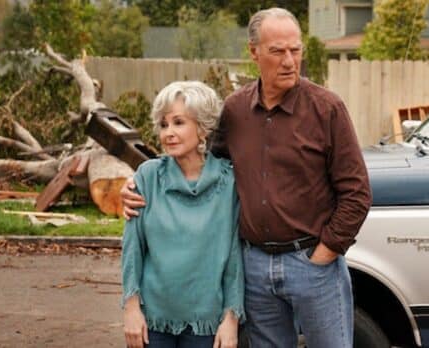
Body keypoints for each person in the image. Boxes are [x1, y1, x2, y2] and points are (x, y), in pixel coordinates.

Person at [122, 8, 371, 348]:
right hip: (253, 267)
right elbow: (206, 172)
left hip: (312, 263)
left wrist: (324, 253)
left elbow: (356, 193)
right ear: (254, 52)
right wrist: (137, 189)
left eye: (295, 50)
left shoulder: (326, 109)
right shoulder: (235, 112)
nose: (289, 61)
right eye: (277, 51)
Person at [121, 81, 244, 348]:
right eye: (164, 125)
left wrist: (231, 318)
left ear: (202, 128)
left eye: (179, 122)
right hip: (152, 323)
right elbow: (132, 249)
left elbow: (235, 257)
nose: (169, 133)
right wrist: (131, 308)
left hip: (206, 324)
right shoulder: (147, 176)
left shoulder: (229, 181)